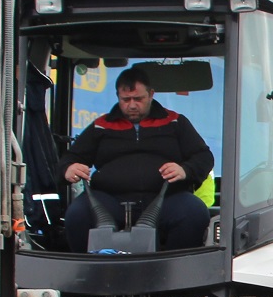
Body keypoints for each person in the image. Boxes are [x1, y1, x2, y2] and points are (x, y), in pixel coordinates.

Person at [62, 66, 215, 251]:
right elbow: (70, 158)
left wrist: (185, 170)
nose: (132, 105)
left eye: (138, 99)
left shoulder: (175, 122)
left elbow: (204, 156)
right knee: (77, 215)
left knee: (194, 212)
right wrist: (69, 168)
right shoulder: (101, 126)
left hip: (167, 198)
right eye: (125, 100)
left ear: (151, 94)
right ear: (117, 96)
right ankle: (86, 272)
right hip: (109, 200)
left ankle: (176, 271)